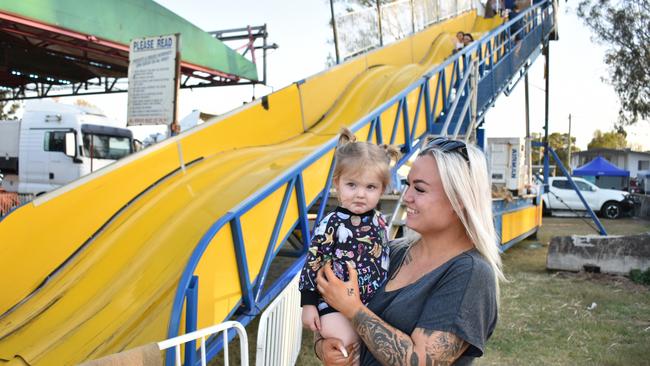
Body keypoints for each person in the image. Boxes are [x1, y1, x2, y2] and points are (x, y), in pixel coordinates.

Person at [315, 136, 504, 365]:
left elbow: (420, 361)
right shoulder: (389, 252)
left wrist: (354, 309)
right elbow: (332, 305)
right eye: (408, 185)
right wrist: (323, 346)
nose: (407, 197)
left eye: (420, 189)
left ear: (459, 199)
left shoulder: (471, 274)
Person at [299, 128, 400, 362]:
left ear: (382, 189)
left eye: (370, 187)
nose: (360, 195)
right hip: (334, 304)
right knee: (345, 351)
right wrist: (308, 304)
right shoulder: (332, 222)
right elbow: (313, 261)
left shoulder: (381, 221)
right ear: (337, 183)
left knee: (366, 354)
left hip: (369, 305)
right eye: (351, 185)